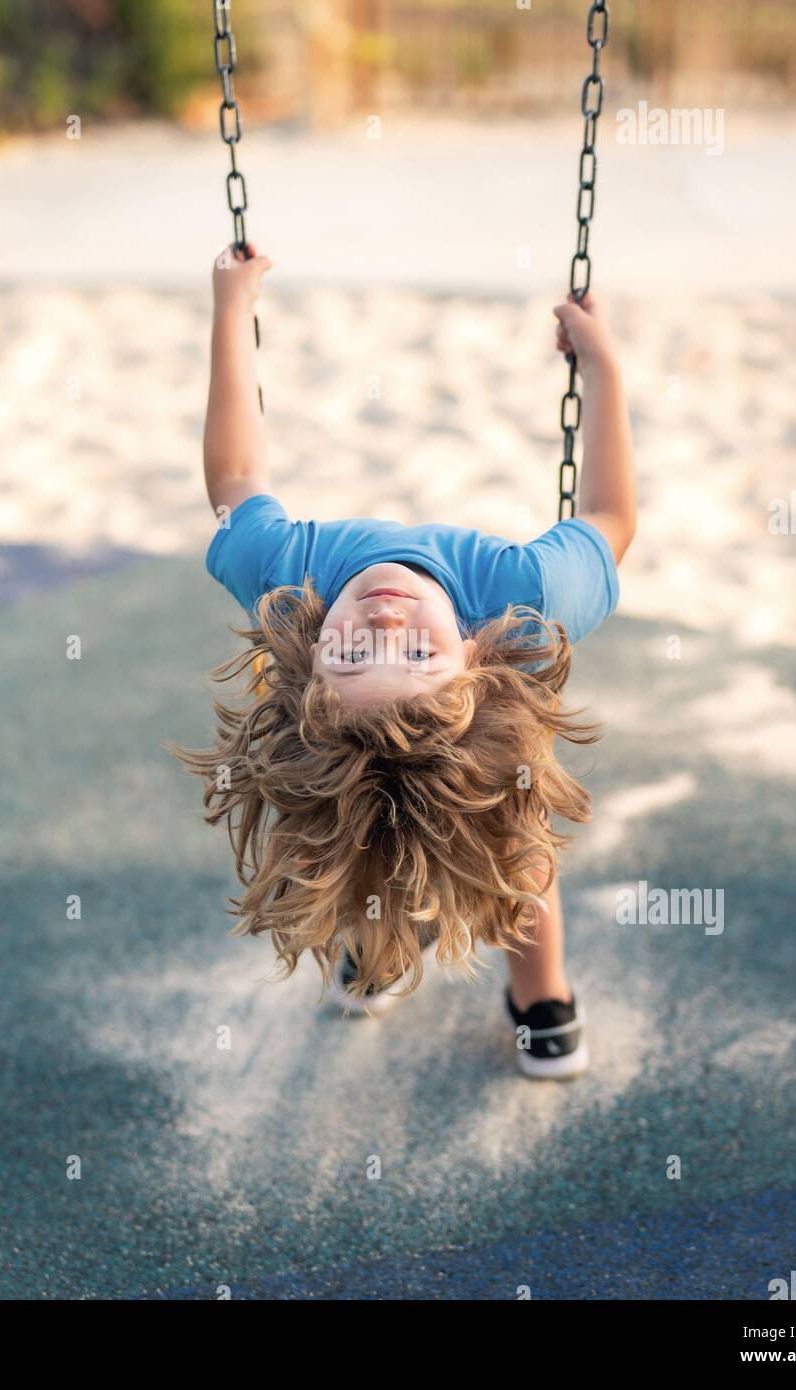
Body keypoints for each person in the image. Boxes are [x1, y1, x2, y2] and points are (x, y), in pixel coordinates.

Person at [172, 243, 636, 1079]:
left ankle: (461, 973)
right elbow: (608, 515)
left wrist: (231, 310)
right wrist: (601, 365)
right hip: (471, 753)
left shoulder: (287, 580)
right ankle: (541, 1001)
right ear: (472, 655)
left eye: (351, 651)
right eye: (416, 651)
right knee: (512, 839)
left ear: (309, 658)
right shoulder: (522, 602)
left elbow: (234, 474)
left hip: (375, 758)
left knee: (348, 824)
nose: (382, 620)